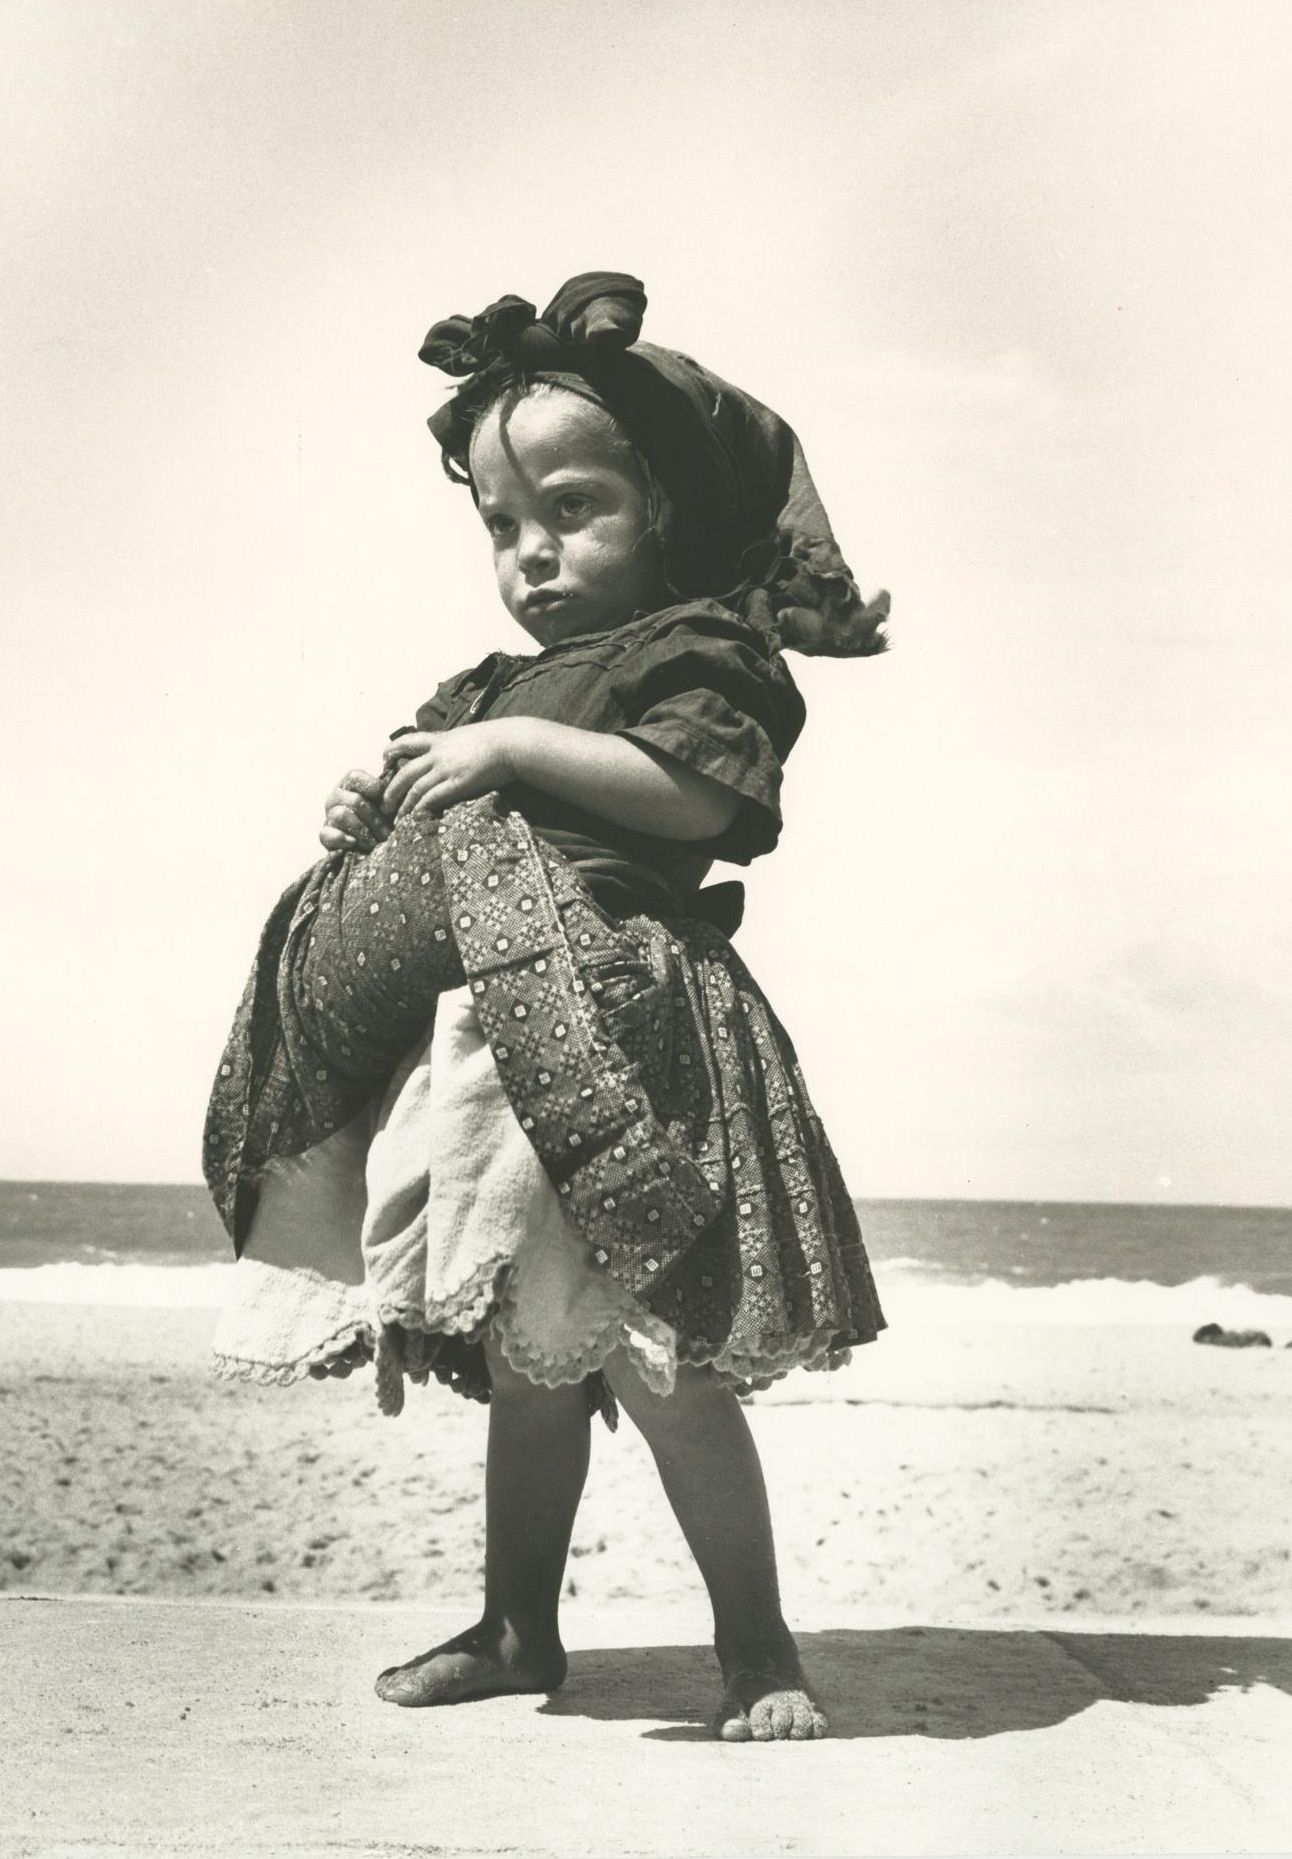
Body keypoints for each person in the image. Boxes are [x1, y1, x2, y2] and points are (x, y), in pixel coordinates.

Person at [204, 273, 889, 1742]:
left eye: (574, 511)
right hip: (498, 1056)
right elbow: (427, 798)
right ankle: (521, 1626)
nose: (533, 554)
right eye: (504, 527)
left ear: (672, 513)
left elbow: (700, 795)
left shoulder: (698, 655)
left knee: (660, 1362)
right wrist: (367, 805)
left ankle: (757, 1646)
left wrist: (516, 750)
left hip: (632, 1037)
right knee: (529, 1349)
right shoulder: (491, 686)